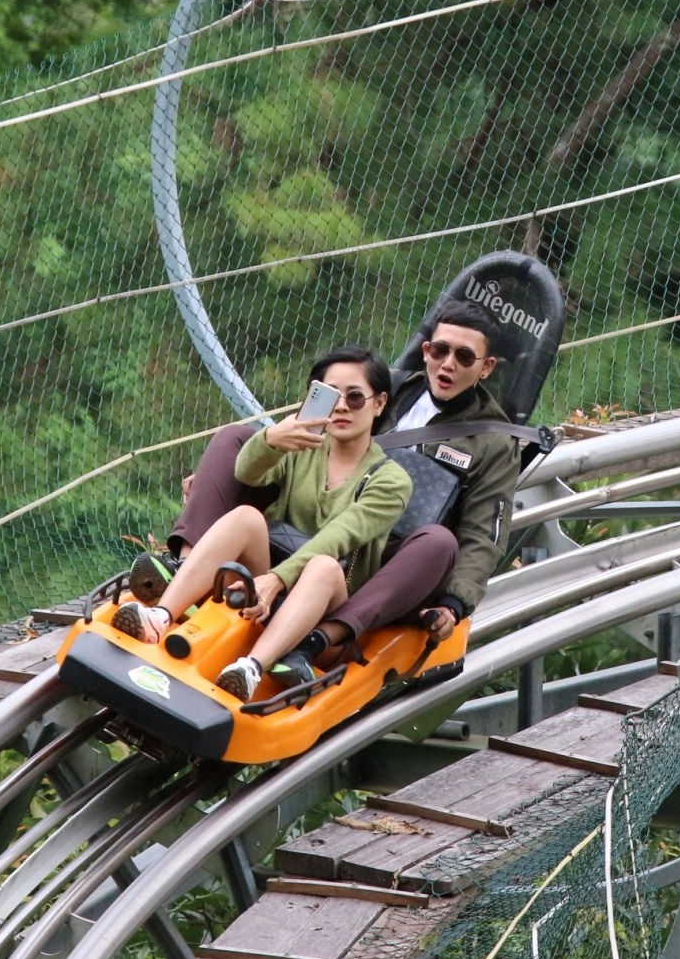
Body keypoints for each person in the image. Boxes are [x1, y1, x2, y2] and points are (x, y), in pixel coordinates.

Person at [132, 298, 520, 682]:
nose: (448, 363)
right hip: (310, 517)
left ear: (486, 367)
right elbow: (299, 447)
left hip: (380, 561)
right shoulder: (391, 386)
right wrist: (239, 465)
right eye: (440, 350)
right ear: (426, 350)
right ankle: (184, 563)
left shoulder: (493, 442)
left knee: (439, 542)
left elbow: (484, 536)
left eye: (464, 357)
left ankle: (322, 637)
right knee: (236, 438)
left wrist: (454, 604)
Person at [111, 346, 411, 702]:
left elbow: (338, 537)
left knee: (323, 565)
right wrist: (270, 442)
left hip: (325, 605)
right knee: (247, 517)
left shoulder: (392, 480)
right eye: (330, 397)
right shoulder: (306, 445)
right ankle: (160, 615)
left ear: (379, 404)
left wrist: (278, 579)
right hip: (270, 581)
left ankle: (251, 667)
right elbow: (245, 473)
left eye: (356, 397)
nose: (342, 407)